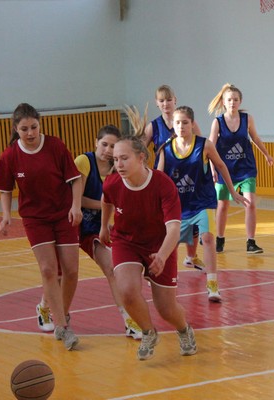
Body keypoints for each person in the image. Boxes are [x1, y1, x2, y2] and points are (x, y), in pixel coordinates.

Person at [99, 122, 196, 361]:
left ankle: (184, 330)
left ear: (141, 157)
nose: (118, 165)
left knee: (166, 308)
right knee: (127, 291)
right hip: (126, 241)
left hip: (159, 245)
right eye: (115, 160)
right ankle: (148, 332)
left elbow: (174, 228)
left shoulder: (163, 184)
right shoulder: (112, 183)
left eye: (124, 158)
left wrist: (162, 256)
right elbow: (106, 200)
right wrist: (103, 226)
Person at [34, 125, 142, 339]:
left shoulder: (117, 169)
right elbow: (79, 199)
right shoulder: (84, 161)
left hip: (93, 228)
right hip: (71, 223)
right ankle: (45, 307)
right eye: (104, 144)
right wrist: (105, 207)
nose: (108, 150)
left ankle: (128, 320)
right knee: (58, 275)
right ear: (95, 143)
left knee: (112, 268)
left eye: (113, 146)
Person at [0, 103, 82, 350]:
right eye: (24, 129)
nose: (30, 133)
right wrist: (5, 215)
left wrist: (75, 207)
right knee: (49, 270)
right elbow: (5, 189)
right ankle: (63, 325)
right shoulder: (10, 155)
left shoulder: (55, 146)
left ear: (39, 125)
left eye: (34, 127)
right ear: (15, 129)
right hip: (35, 219)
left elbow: (75, 180)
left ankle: (54, 310)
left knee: (71, 271)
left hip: (63, 214)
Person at [157, 106, 249, 302]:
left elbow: (222, 166)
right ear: (172, 125)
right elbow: (158, 180)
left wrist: (233, 192)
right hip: (179, 206)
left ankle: (213, 285)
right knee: (171, 246)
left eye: (185, 122)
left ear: (192, 124)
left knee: (207, 238)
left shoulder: (204, 145)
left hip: (203, 202)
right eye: (177, 122)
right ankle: (166, 281)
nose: (181, 126)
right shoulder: (165, 149)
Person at [208, 83, 274, 254]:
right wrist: (212, 168)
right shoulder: (218, 122)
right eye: (229, 99)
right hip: (225, 169)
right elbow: (210, 147)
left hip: (246, 168)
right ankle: (220, 238)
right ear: (224, 102)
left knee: (250, 203)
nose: (232, 102)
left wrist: (267, 154)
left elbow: (256, 139)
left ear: (240, 101)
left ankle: (251, 241)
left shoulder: (247, 119)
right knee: (222, 205)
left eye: (235, 99)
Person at [144, 85, 204, 271]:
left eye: (169, 100)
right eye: (161, 100)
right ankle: (159, 262)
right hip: (163, 179)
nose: (165, 104)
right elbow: (139, 151)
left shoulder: (186, 122)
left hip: (188, 178)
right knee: (163, 223)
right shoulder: (153, 126)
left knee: (191, 217)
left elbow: (202, 147)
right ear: (157, 103)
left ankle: (191, 256)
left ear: (175, 100)